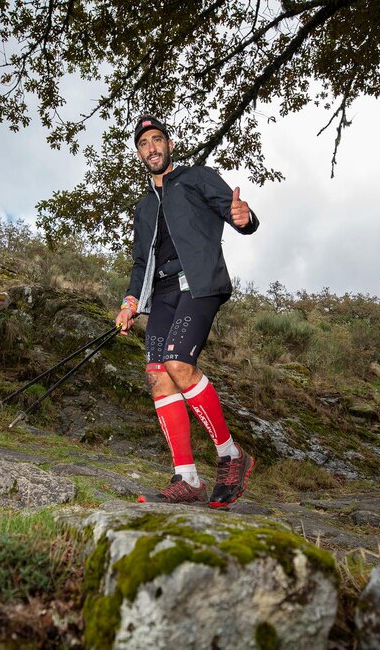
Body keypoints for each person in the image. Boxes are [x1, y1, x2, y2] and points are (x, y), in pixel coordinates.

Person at [115, 115, 259, 508]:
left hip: (199, 282)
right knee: (157, 375)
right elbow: (141, 262)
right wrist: (130, 302)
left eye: (157, 140)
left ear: (170, 144)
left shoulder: (197, 177)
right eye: (144, 144)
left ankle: (232, 455)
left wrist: (245, 219)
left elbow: (236, 212)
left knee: (178, 363)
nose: (152, 148)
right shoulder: (144, 207)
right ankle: (187, 478)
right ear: (139, 154)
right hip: (162, 292)